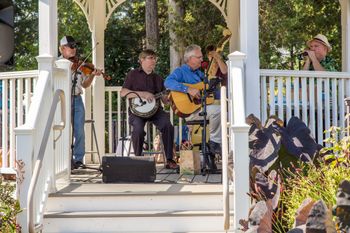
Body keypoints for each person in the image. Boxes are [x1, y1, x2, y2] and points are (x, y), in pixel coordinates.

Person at [164, 44, 222, 171]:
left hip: (202, 108)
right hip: (190, 111)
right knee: (219, 110)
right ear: (190, 58)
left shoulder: (201, 74)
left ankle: (213, 146)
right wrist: (188, 89)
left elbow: (207, 91)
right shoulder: (181, 71)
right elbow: (168, 82)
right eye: (199, 57)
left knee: (223, 110)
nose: (202, 59)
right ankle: (215, 143)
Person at [120, 49, 178, 169]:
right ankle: (139, 159)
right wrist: (143, 94)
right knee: (138, 130)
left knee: (168, 125)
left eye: (154, 58)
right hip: (137, 112)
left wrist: (168, 99)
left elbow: (164, 100)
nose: (153, 61)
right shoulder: (133, 74)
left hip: (156, 111)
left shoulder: (157, 78)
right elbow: (123, 93)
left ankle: (169, 159)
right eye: (150, 58)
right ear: (142, 60)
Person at [59, 35, 102, 169]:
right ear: (62, 49)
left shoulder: (80, 65)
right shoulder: (57, 63)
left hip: (77, 99)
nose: (73, 49)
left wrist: (91, 76)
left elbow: (85, 85)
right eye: (70, 47)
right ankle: (65, 160)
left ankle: (78, 160)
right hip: (62, 100)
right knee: (63, 130)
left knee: (79, 131)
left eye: (74, 47)